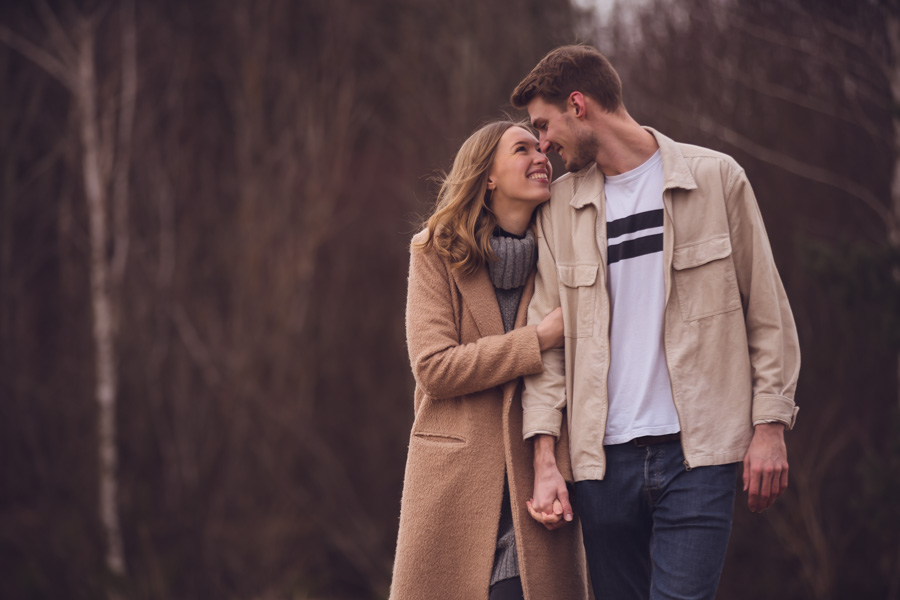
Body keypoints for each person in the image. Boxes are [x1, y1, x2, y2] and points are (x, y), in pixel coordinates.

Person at [510, 45, 801, 600]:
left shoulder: (717, 180)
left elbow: (768, 315)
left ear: (579, 105)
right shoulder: (559, 210)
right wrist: (546, 458)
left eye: (544, 125)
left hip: (699, 456)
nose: (543, 144)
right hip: (600, 463)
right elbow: (549, 350)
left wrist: (771, 426)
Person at [390, 120, 591, 600]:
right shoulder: (434, 251)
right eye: (522, 149)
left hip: (535, 487)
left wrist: (558, 466)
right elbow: (435, 367)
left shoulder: (562, 259)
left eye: (541, 149)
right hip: (457, 489)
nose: (541, 157)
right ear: (488, 177)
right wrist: (536, 339)